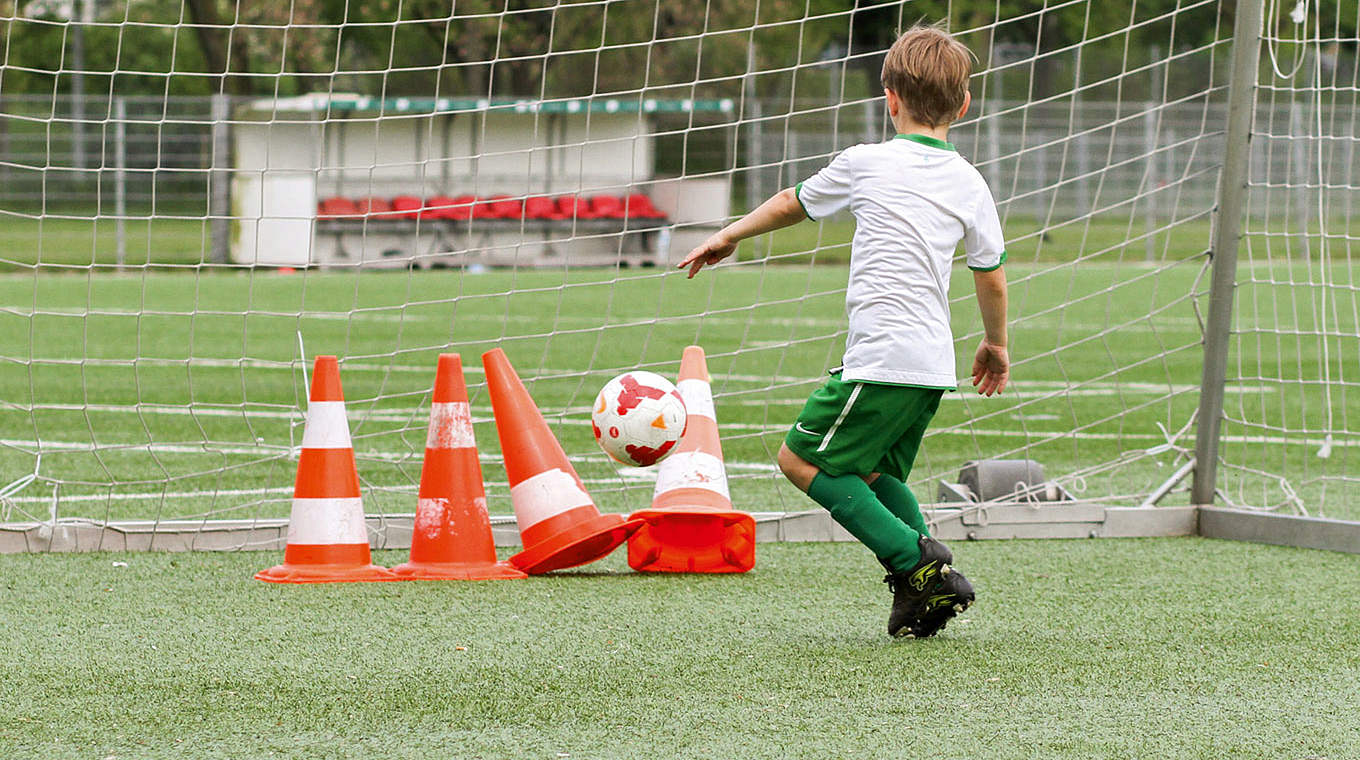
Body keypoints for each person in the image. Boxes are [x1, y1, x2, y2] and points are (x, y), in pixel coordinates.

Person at [678, 24, 1009, 639]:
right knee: (876, 476)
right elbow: (989, 274)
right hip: (931, 368)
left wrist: (729, 234)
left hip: (880, 359)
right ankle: (923, 587)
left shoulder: (866, 161)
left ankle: (918, 565)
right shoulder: (971, 181)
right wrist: (995, 344)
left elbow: (790, 202)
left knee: (799, 459)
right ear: (963, 106)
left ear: (889, 97)